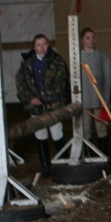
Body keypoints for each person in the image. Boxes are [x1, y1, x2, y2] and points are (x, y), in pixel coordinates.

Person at [15, 34, 70, 178]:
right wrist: (30, 99)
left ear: (48, 45)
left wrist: (43, 98)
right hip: (36, 107)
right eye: (38, 45)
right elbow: (21, 84)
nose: (42, 47)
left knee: (57, 132)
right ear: (34, 47)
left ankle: (63, 164)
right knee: (40, 133)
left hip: (53, 105)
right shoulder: (27, 64)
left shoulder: (57, 61)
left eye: (44, 44)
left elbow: (61, 83)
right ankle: (45, 166)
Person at [80, 27, 111, 154]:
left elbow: (107, 77)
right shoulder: (78, 57)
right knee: (86, 129)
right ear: (82, 40)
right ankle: (89, 155)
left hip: (99, 98)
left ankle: (103, 154)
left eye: (93, 37)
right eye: (88, 38)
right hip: (84, 100)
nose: (91, 40)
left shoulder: (102, 55)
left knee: (101, 128)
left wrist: (106, 97)